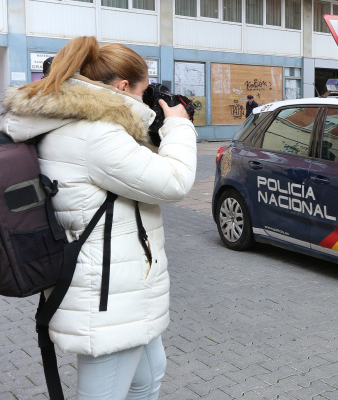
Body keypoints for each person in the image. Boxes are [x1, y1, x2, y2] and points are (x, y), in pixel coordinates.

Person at [0, 36, 197, 399]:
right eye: (141, 91)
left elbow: (131, 173)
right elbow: (174, 182)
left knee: (147, 377)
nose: (144, 99)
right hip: (107, 291)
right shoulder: (96, 134)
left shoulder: (70, 120)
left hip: (114, 281)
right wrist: (179, 126)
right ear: (122, 87)